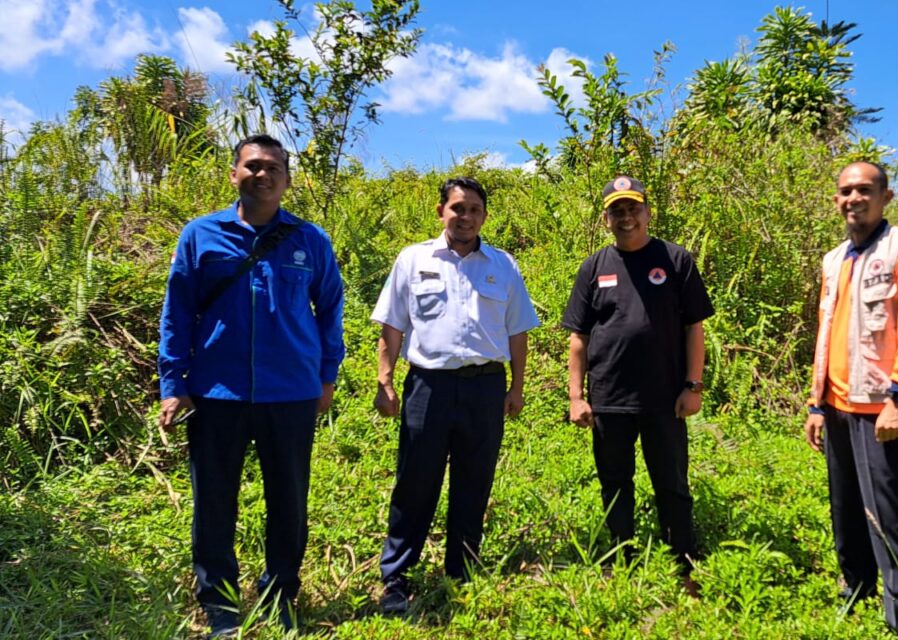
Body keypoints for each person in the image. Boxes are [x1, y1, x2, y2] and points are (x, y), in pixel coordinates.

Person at [157, 134, 345, 636]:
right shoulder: (201, 236)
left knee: (289, 500)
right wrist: (173, 383)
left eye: (273, 168)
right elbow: (176, 313)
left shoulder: (311, 241)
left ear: (287, 178)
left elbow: (331, 311)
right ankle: (219, 603)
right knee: (214, 502)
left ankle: (279, 593)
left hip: (292, 393)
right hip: (218, 393)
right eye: (252, 166)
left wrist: (328, 376)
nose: (262, 175)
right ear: (234, 173)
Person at [372, 176, 540, 614]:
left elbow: (518, 330)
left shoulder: (503, 265)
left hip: (485, 387)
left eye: (474, 210)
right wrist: (385, 380)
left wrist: (517, 387)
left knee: (474, 480)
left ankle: (460, 574)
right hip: (429, 386)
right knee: (415, 482)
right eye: (457, 208)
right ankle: (396, 580)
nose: (465, 216)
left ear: (484, 216)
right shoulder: (413, 259)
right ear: (441, 211)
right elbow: (392, 324)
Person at [802, 161, 898, 630]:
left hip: (882, 407)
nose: (853, 198)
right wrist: (817, 403)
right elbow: (826, 334)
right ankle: (856, 589)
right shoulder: (834, 259)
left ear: (885, 196)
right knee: (846, 511)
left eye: (864, 189)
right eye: (845, 191)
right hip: (838, 405)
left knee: (890, 514)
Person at [562, 176, 714, 587]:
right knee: (614, 481)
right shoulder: (594, 267)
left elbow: (694, 327)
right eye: (617, 210)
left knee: (672, 483)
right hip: (609, 398)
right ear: (605, 218)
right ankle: (621, 556)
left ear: (648, 212)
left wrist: (693, 386)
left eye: (634, 208)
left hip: (666, 398)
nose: (626, 217)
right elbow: (579, 338)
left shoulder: (676, 260)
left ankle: (682, 560)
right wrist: (577, 397)